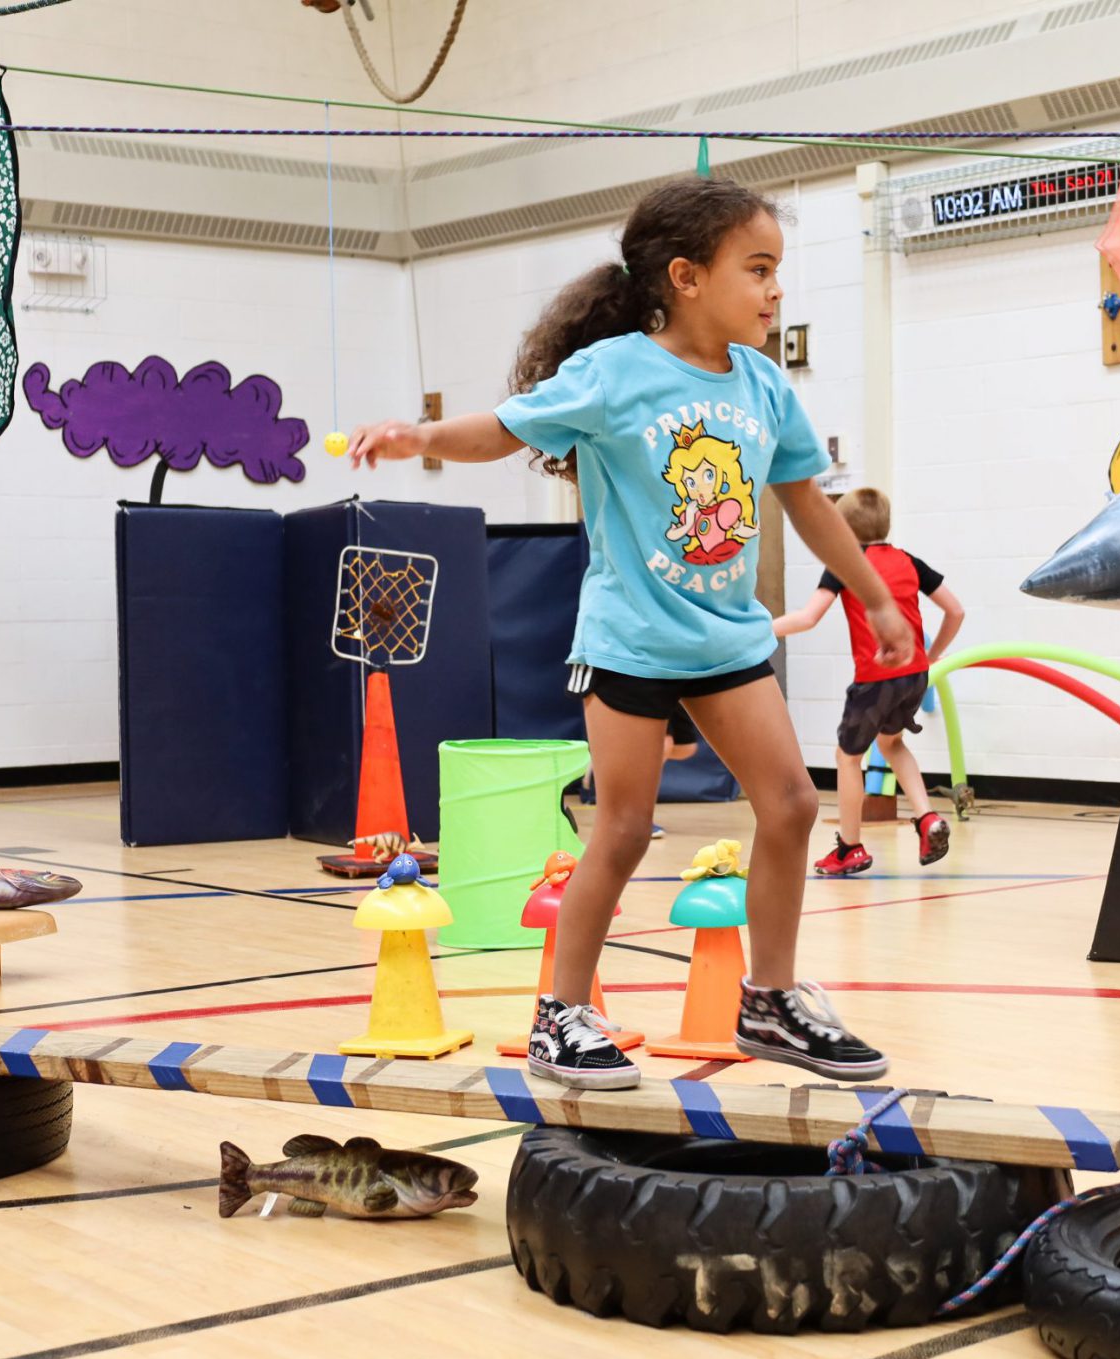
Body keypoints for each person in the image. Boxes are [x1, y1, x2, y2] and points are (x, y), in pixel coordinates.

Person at [349, 176, 912, 1090]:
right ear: (686, 277)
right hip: (631, 639)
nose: (776, 291)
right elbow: (501, 431)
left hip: (727, 639)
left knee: (793, 805)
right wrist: (419, 438)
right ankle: (560, 1013)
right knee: (622, 826)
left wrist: (874, 600)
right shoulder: (614, 372)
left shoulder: (765, 386)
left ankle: (767, 999)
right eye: (758, 270)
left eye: (779, 272)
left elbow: (809, 508)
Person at [773, 486, 964, 875]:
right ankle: (928, 820)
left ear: (841, 528)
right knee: (892, 744)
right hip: (915, 675)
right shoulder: (909, 561)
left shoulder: (847, 563)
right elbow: (955, 610)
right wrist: (931, 654)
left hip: (876, 678)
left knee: (847, 757)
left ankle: (849, 848)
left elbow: (808, 618)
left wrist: (757, 628)